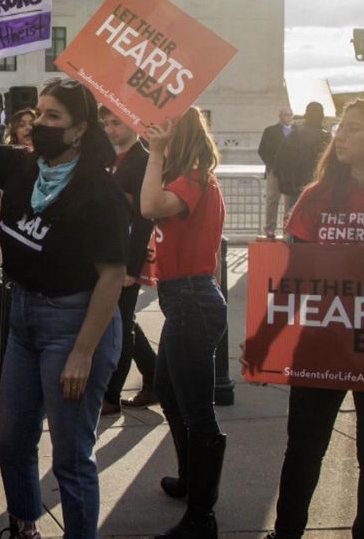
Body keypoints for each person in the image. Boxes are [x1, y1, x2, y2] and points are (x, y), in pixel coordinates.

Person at [0, 43, 127, 539]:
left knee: (70, 455)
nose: (38, 123)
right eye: (38, 113)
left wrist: (83, 354)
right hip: (20, 317)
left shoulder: (100, 192)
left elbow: (112, 276)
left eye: (53, 116)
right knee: (12, 440)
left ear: (79, 129)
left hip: (74, 322)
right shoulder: (25, 166)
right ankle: (24, 526)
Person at [265, 98, 364, 539]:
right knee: (304, 448)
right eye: (341, 128)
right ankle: (287, 530)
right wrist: (263, 341)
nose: (342, 136)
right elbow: (290, 275)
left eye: (355, 129)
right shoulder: (316, 196)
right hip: (320, 342)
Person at [139, 110, 228, 538]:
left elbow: (149, 206)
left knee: (197, 410)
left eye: (164, 128)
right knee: (170, 392)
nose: (156, 134)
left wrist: (155, 153)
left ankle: (201, 515)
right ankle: (191, 479)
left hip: (192, 300)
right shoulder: (186, 177)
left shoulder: (194, 178)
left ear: (183, 134)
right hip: (182, 299)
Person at [99, 106, 157, 414]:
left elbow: (144, 220)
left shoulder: (143, 160)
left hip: (126, 258)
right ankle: (155, 376)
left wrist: (132, 267)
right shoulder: (110, 159)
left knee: (119, 324)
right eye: (106, 123)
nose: (110, 129)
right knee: (124, 320)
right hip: (108, 252)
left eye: (116, 123)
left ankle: (111, 394)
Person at [274, 102, 331, 201]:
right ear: (321, 117)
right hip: (319, 188)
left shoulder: (294, 134)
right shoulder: (326, 137)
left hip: (296, 187)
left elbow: (280, 160)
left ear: (306, 116)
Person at [258, 107, 295, 239]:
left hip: (291, 171)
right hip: (275, 171)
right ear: (280, 116)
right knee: (272, 199)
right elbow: (262, 150)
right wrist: (271, 165)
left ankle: (287, 229)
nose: (287, 117)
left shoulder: (296, 131)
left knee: (289, 202)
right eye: (285, 115)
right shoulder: (270, 131)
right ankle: (270, 229)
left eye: (290, 115)